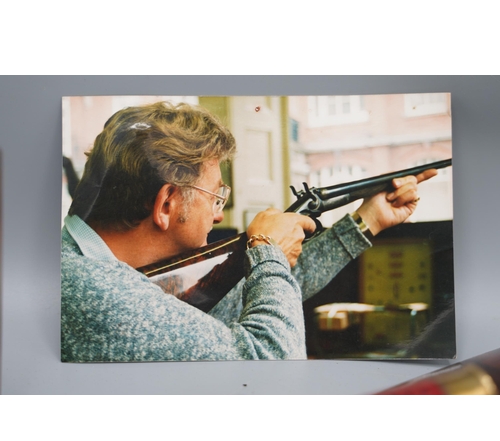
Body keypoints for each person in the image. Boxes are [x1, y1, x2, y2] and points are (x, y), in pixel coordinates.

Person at [61, 101, 437, 362]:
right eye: (216, 195)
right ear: (166, 204)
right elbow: (272, 365)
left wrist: (368, 220)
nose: (218, 214)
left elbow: (256, 300)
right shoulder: (91, 289)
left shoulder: (95, 267)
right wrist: (266, 248)